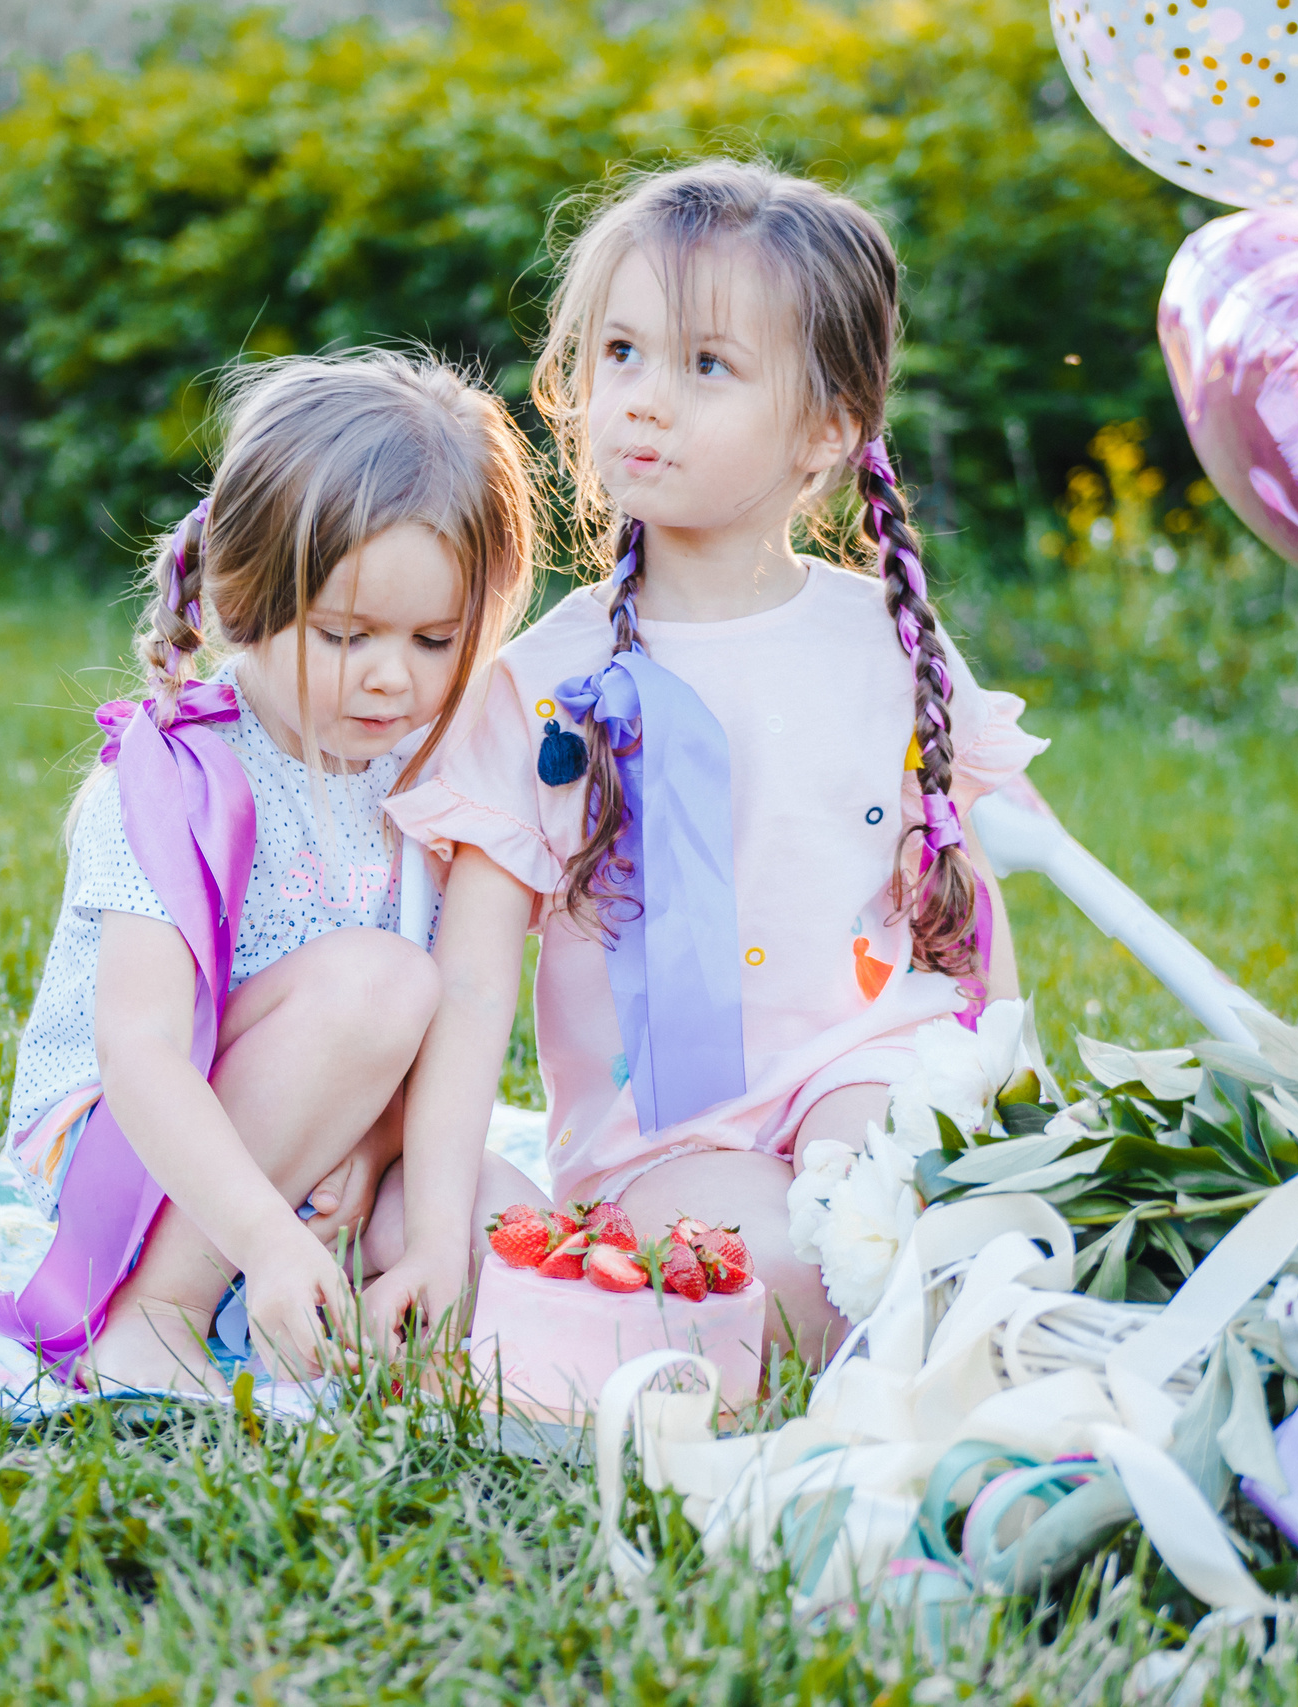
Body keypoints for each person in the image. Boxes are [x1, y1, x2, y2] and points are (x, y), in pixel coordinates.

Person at [371, 159, 1045, 1362]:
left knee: (917, 1202)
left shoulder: (885, 641)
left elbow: (967, 909)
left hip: (866, 1057)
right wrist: (432, 1236)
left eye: (705, 366)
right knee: (783, 1273)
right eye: (619, 352)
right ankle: (574, 1271)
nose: (639, 398)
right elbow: (471, 988)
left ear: (827, 428)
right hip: (671, 1143)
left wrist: (1011, 1093)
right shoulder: (544, 687)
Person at [0, 351, 537, 1395]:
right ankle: (164, 1308)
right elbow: (140, 1053)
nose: (389, 675)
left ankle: (336, 1296)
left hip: (330, 1129)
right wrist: (269, 1237)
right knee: (381, 980)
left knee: (503, 1232)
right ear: (246, 601)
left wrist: (380, 1171)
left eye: (433, 639)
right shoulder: (183, 773)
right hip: (131, 1156)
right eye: (345, 634)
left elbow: (457, 1016)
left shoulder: (433, 773)